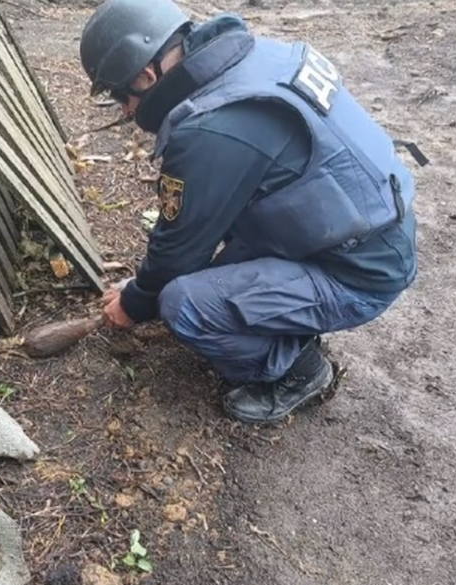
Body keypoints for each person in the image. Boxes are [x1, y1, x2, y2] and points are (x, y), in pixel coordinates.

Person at [80, 0, 427, 424]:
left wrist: (135, 302)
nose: (125, 111)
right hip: (368, 227)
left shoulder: (207, 130)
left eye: (121, 96)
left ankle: (300, 372)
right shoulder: (258, 57)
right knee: (202, 281)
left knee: (183, 302)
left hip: (359, 274)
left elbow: (177, 250)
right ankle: (285, 312)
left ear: (145, 76)